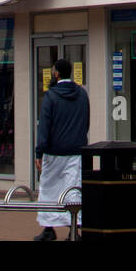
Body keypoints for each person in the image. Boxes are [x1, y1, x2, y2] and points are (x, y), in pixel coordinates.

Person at [34, 57, 89, 242]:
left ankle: (48, 229)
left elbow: (44, 126)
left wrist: (39, 152)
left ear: (56, 73)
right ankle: (74, 230)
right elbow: (85, 122)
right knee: (73, 190)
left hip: (54, 151)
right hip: (75, 151)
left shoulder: (51, 96)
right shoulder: (82, 94)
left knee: (48, 189)